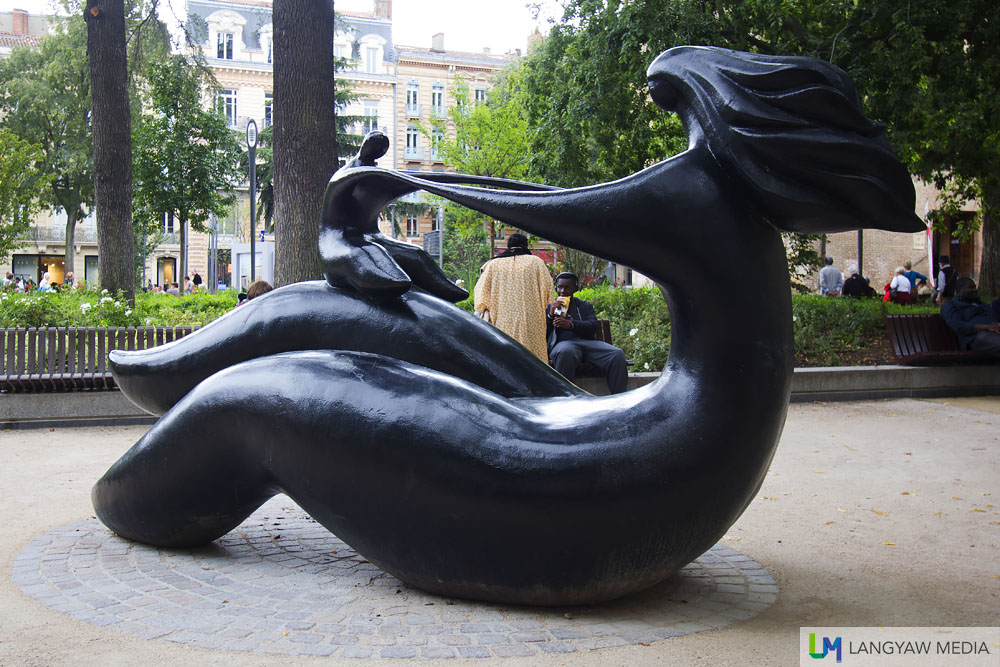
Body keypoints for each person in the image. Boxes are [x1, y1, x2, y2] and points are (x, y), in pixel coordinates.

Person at [473, 232, 553, 362]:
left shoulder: (492, 265)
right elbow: (548, 295)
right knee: (533, 360)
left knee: (505, 360)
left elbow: (481, 296)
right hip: (531, 324)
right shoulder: (537, 263)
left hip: (501, 323)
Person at [546, 272, 628, 394]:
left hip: (588, 344)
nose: (563, 291)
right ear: (555, 288)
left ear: (575, 288)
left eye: (567, 287)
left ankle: (619, 398)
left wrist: (571, 325)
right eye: (560, 287)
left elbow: (592, 326)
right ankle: (562, 397)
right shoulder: (550, 306)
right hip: (564, 344)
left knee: (617, 354)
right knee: (566, 352)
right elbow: (543, 331)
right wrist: (550, 316)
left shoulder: (584, 306)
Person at [940, 278, 1000, 358]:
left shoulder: (981, 304)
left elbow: (994, 318)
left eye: (974, 287)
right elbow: (959, 326)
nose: (974, 290)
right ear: (960, 290)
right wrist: (987, 327)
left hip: (995, 333)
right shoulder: (950, 305)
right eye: (970, 287)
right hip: (976, 337)